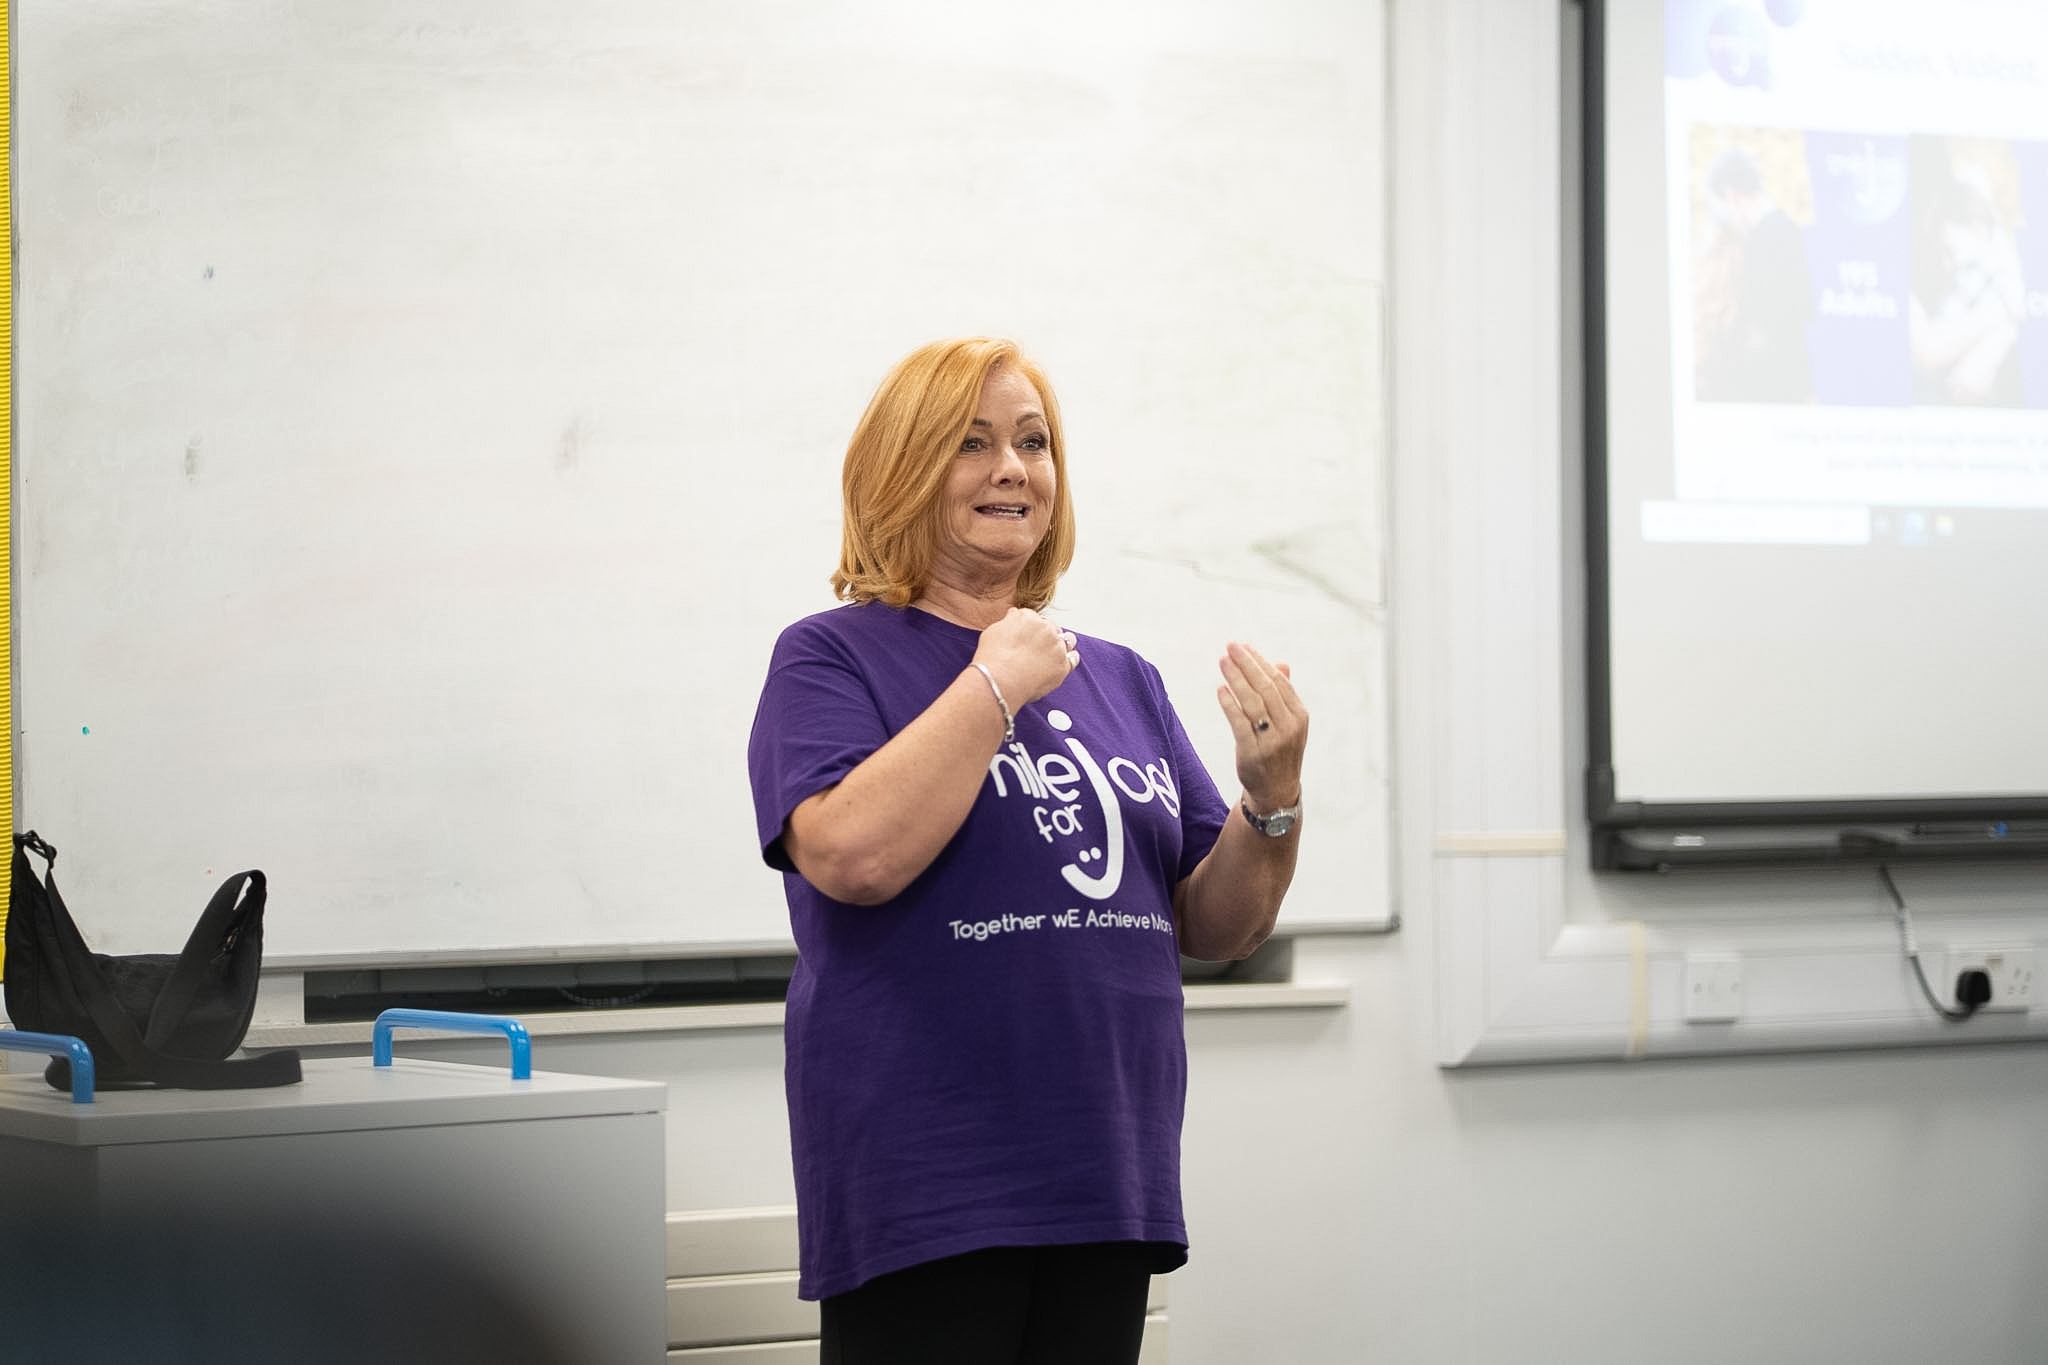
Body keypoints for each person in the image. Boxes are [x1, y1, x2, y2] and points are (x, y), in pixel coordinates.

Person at [746, 337, 1307, 1365]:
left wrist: (1270, 799)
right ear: (901, 472)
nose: (1014, 468)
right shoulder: (829, 656)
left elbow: (1215, 924)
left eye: (1034, 443)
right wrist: (990, 685)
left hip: (1105, 1168)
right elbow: (850, 858)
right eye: (972, 444)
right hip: (929, 1181)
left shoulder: (1120, 677)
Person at [1697, 146, 1814, 403]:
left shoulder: (1762, 243)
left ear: (1730, 196)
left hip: (1774, 388)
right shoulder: (1790, 232)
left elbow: (1775, 324)